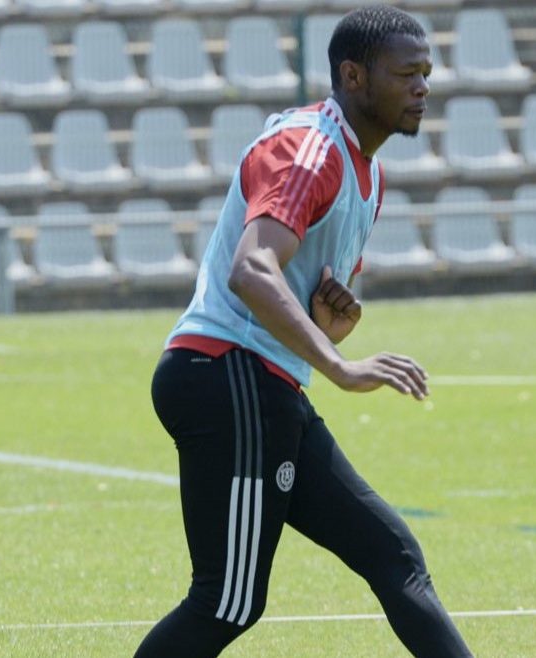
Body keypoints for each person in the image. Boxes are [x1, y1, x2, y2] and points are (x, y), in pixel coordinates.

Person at [135, 5, 473, 657]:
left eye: (426, 73)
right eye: (406, 73)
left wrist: (328, 332)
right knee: (225, 602)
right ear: (352, 76)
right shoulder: (307, 149)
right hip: (223, 374)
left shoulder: (367, 174)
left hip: (263, 382)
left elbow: (284, 297)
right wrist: (341, 368)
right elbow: (252, 271)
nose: (422, 87)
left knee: (393, 555)